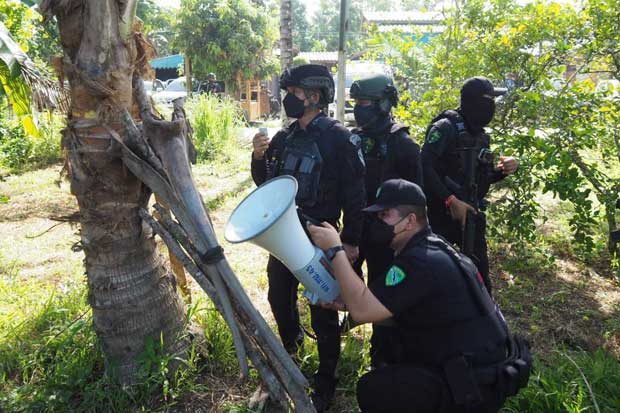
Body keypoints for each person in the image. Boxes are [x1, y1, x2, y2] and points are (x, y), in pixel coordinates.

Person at [307, 179, 532, 413]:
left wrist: (335, 250)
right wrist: (348, 303)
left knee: (375, 388)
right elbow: (389, 307)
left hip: (473, 385)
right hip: (481, 370)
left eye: (385, 215)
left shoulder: (420, 261)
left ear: (410, 221)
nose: (377, 222)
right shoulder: (428, 248)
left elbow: (363, 311)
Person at [251, 64, 366, 411]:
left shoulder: (339, 139)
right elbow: (266, 185)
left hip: (321, 237)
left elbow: (357, 195)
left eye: (293, 93)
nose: (287, 99)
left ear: (313, 97)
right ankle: (292, 349)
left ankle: (326, 377)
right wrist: (258, 157)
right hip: (283, 236)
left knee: (323, 308)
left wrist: (350, 242)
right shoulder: (285, 138)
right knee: (278, 297)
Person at [348, 73, 423, 368]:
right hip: (354, 230)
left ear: (382, 104)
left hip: (387, 236)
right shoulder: (352, 139)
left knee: (385, 297)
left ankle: (383, 357)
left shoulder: (403, 145)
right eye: (356, 103)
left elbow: (417, 198)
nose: (359, 109)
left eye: (364, 102)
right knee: (345, 286)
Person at [421, 76, 519, 294]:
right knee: (433, 277)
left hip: (470, 217)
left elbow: (481, 179)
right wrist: (450, 200)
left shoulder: (481, 138)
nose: (492, 106)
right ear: (473, 101)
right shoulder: (445, 127)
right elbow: (424, 168)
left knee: (480, 279)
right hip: (439, 218)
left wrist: (505, 170)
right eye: (488, 100)